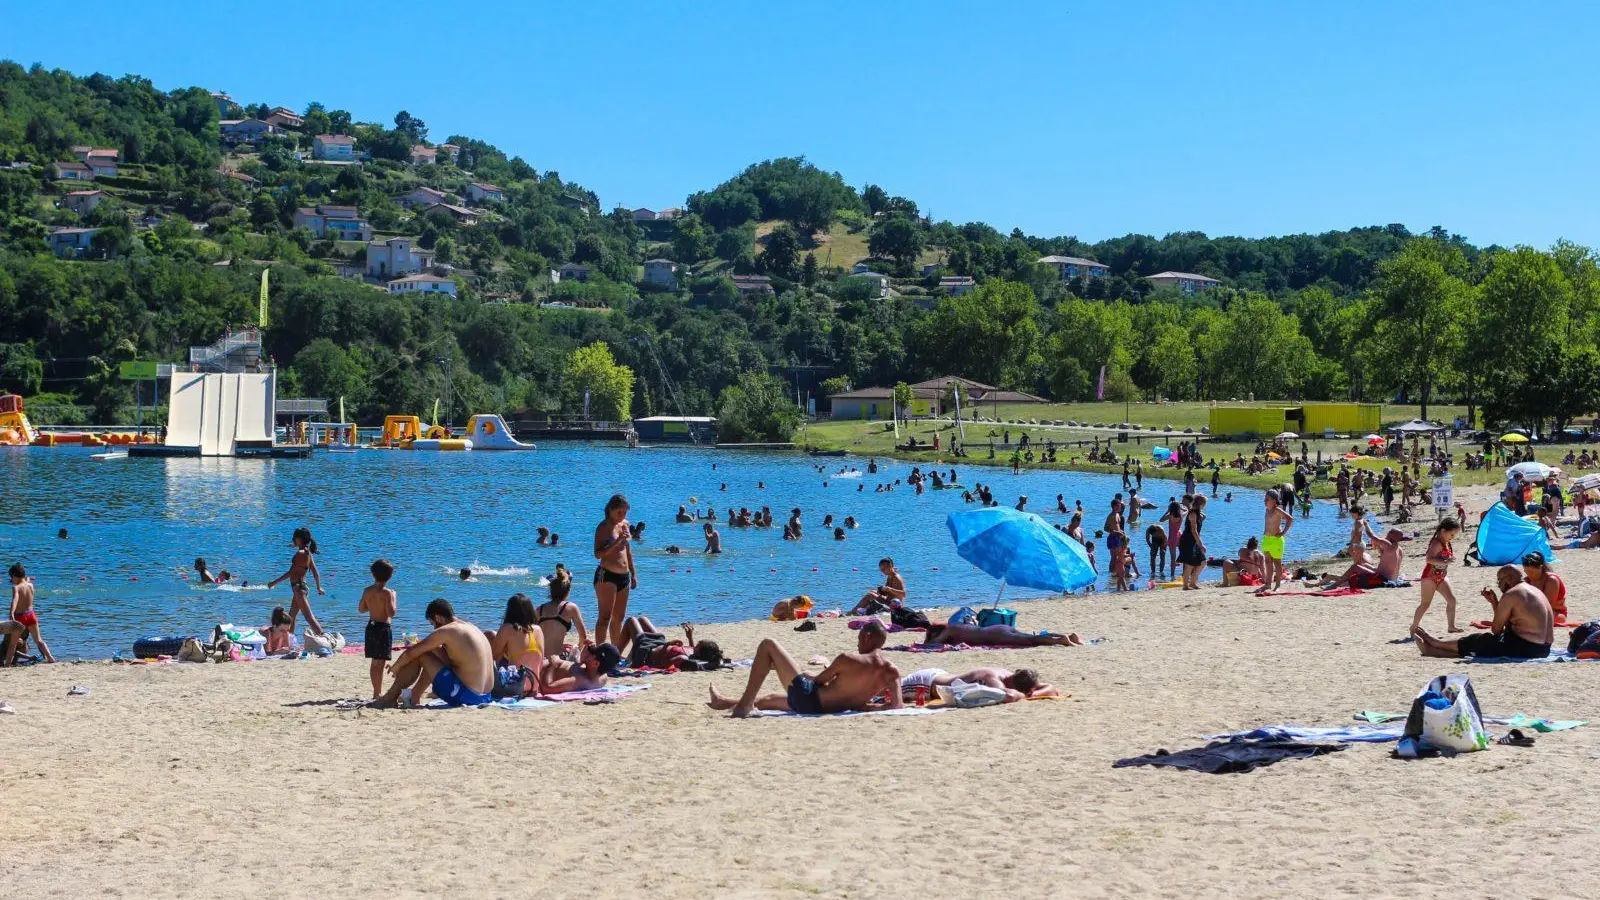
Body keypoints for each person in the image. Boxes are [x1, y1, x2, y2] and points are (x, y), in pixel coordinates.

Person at [707, 620, 902, 718]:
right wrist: (868, 706)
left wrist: (814, 675)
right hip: (825, 709)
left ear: (867, 636)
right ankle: (722, 702)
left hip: (809, 699)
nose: (858, 641)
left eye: (859, 636)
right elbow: (897, 706)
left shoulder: (848, 659)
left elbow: (818, 681)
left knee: (768, 645)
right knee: (770, 699)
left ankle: (743, 707)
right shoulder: (891, 672)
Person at [373, 598, 495, 708]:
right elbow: (451, 663)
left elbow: (410, 654)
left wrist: (396, 667)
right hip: (485, 697)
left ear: (438, 618)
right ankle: (415, 696)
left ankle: (389, 698)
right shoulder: (471, 627)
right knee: (428, 651)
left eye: (432, 624)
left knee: (421, 654)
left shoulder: (448, 630)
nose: (434, 629)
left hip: (466, 696)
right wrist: (431, 647)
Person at [1412, 566, 1553, 660]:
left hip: (1527, 648)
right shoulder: (1535, 590)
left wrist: (1499, 603)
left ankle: (1436, 646)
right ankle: (1435, 646)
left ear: (1508, 579)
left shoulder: (1511, 594)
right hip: (1544, 649)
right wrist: (1495, 603)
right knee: (1484, 643)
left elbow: (1497, 630)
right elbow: (1514, 623)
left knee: (1481, 641)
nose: (1499, 584)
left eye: (1499, 580)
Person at [592, 494, 636, 647]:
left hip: (624, 576)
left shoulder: (625, 524)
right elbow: (597, 554)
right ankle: (600, 651)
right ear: (610, 510)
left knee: (619, 617)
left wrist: (633, 573)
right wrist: (616, 542)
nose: (622, 516)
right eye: (619, 512)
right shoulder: (603, 527)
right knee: (605, 617)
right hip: (607, 575)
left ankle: (615, 652)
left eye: (624, 512)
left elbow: (627, 551)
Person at [266, 527, 325, 636]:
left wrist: (273, 583)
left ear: (298, 539)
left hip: (298, 589)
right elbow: (316, 573)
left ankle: (324, 638)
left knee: (309, 617)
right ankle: (290, 640)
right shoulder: (307, 553)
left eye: (294, 538)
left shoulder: (300, 553)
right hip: (302, 587)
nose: (293, 539)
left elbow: (291, 573)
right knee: (291, 616)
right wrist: (318, 588)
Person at [484, 593, 544, 698]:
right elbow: (541, 660)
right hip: (534, 688)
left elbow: (493, 657)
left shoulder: (507, 628)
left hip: (515, 688)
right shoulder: (538, 630)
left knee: (488, 636)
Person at [899, 666, 1060, 703]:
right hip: (926, 682)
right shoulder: (993, 678)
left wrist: (1034, 693)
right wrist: (1026, 695)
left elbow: (1051, 687)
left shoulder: (1013, 676)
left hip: (939, 678)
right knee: (884, 692)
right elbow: (1007, 696)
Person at [1412, 517, 1463, 634]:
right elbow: (1429, 559)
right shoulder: (1436, 542)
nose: (1452, 538)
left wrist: (1447, 559)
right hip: (1429, 577)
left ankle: (1451, 626)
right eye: (1451, 535)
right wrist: (1445, 561)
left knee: (1452, 600)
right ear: (1443, 531)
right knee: (1425, 604)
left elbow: (1439, 557)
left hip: (1441, 577)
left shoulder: (1445, 542)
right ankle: (1413, 627)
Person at [619, 616, 724, 670]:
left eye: (698, 645)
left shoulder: (683, 659)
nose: (694, 645)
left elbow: (662, 664)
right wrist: (690, 637)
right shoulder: (694, 653)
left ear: (700, 652)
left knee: (631, 620)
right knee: (643, 619)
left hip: (646, 652)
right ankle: (623, 655)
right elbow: (692, 649)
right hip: (657, 643)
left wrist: (667, 645)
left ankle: (615, 654)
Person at [357, 559, 398, 698]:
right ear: (390, 576)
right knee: (380, 663)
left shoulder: (367, 591)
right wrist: (393, 598)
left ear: (373, 574)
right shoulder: (388, 593)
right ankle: (377, 693)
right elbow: (391, 613)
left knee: (374, 662)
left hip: (371, 627)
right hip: (383, 628)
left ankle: (376, 691)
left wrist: (372, 605)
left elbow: (361, 609)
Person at [535, 565, 589, 660]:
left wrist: (558, 645)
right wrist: (576, 649)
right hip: (558, 659)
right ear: (567, 591)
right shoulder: (570, 607)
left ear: (551, 591)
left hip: (541, 659)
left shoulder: (540, 609)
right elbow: (583, 636)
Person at [9, 564, 53, 663]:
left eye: (11, 577)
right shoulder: (30, 585)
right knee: (39, 640)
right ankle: (51, 658)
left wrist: (12, 612)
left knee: (12, 644)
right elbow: (26, 581)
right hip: (31, 615)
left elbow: (15, 600)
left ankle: (7, 664)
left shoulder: (16, 587)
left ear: (14, 576)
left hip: (20, 616)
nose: (11, 580)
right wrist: (27, 579)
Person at [541, 641, 621, 694]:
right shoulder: (601, 675)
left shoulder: (579, 679)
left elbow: (547, 688)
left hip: (535, 671)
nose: (590, 651)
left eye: (592, 652)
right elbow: (584, 664)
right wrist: (587, 651)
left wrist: (552, 664)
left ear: (596, 663)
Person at [923, 621, 1083, 647]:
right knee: (1027, 635)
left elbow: (931, 644)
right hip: (997, 628)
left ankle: (1061, 640)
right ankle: (1068, 635)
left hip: (994, 636)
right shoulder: (955, 626)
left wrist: (929, 638)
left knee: (1030, 640)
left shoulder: (950, 630)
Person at [1259, 489, 1293, 593]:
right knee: (1268, 562)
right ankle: (1268, 584)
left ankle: (1277, 585)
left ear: (1274, 500)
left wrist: (1283, 532)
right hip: (1266, 539)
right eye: (1265, 498)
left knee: (1277, 563)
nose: (1265, 501)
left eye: (1267, 499)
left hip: (1276, 540)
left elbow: (1290, 519)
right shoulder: (1267, 510)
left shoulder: (1277, 510)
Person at [1521, 551, 1568, 622]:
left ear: (1540, 568)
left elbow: (1547, 605)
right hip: (1533, 611)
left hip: (1554, 612)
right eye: (1526, 571)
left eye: (1532, 572)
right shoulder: (1526, 581)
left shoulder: (1551, 580)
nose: (1529, 575)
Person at [1178, 495, 1208, 590]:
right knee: (1189, 564)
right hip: (1187, 540)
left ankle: (1192, 582)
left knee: (1202, 562)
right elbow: (1193, 531)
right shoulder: (1193, 513)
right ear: (1201, 504)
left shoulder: (1198, 513)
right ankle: (1185, 586)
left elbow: (1203, 517)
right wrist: (1201, 544)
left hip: (1194, 540)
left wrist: (1199, 543)